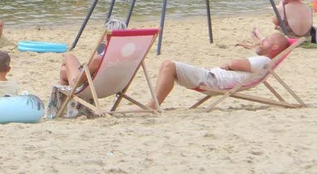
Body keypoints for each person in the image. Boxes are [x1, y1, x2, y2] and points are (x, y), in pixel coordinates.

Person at [150, 33, 290, 109]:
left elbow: (234, 63)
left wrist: (229, 64)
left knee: (169, 66)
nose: (261, 42)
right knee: (166, 65)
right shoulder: (264, 61)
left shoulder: (264, 61)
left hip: (213, 81)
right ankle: (154, 103)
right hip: (211, 77)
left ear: (274, 47)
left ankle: (154, 105)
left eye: (265, 41)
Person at [58, 19, 129, 87]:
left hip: (89, 86)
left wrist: (76, 79)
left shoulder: (99, 59)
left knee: (69, 57)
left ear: (106, 34)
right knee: (63, 70)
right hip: (113, 86)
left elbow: (78, 82)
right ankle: (63, 99)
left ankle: (60, 99)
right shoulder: (127, 55)